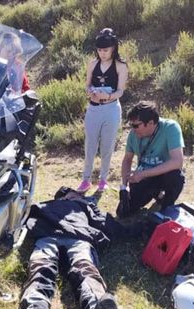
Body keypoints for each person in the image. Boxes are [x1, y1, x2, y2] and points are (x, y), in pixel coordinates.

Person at [0, 190, 138, 309]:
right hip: (47, 236)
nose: (73, 195)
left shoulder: (86, 207)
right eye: (69, 193)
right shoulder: (44, 205)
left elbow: (108, 224)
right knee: (41, 267)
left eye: (76, 194)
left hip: (79, 239)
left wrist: (142, 229)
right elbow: (21, 217)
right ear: (61, 196)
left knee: (85, 268)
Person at [78, 28, 129, 194]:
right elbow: (87, 85)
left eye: (105, 50)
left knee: (107, 146)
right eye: (99, 50)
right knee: (90, 145)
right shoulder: (92, 64)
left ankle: (103, 180)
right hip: (93, 109)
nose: (102, 53)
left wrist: (108, 96)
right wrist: (91, 92)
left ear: (113, 48)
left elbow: (121, 90)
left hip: (111, 108)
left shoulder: (121, 65)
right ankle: (86, 180)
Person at [117, 101, 185, 218]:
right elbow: (127, 159)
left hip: (163, 174)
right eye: (131, 125)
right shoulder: (133, 135)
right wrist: (124, 186)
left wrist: (142, 174)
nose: (133, 129)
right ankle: (157, 195)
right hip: (144, 178)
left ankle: (166, 207)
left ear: (151, 123)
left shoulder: (170, 128)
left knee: (176, 176)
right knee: (123, 213)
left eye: (136, 125)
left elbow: (177, 161)